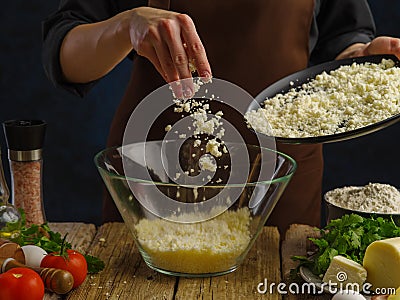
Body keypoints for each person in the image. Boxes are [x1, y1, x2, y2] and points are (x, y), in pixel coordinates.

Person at [42, 0, 400, 233]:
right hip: (156, 171)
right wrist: (124, 26)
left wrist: (361, 60)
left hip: (278, 182)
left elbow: (341, 38)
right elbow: (64, 57)